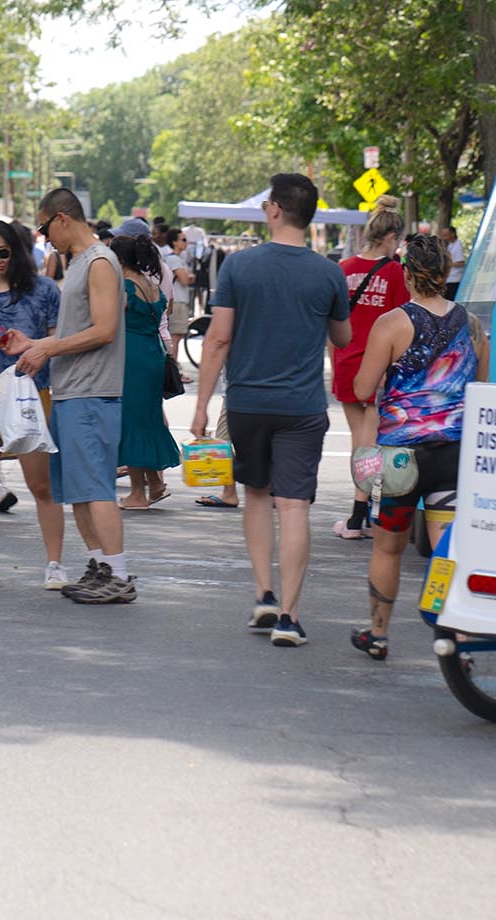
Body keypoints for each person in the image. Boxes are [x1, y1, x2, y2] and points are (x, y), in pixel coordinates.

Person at [189, 173, 352, 647]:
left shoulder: (240, 268)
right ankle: (289, 615)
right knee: (294, 506)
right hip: (302, 405)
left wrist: (201, 406)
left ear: (276, 209)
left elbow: (217, 339)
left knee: (256, 494)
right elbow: (341, 338)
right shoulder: (328, 273)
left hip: (248, 402)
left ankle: (262, 593)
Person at [347, 235, 487, 660]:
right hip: (452, 454)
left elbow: (363, 388)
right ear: (447, 274)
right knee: (446, 547)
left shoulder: (391, 323)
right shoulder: (474, 325)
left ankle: (378, 633)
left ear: (406, 274)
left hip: (400, 458)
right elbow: (481, 389)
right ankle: (455, 634)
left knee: (387, 546)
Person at [1, 188, 133, 604]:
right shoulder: (79, 263)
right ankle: (99, 565)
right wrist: (33, 344)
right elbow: (79, 329)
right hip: (72, 391)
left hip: (92, 392)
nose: (43, 237)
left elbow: (105, 329)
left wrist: (47, 348)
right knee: (76, 490)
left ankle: (119, 573)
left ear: (61, 218)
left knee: (95, 489)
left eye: (43, 227)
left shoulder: (98, 262)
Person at [0, 218, 65, 590]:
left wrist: (35, 349)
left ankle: (54, 563)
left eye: (2, 252)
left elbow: (60, 342)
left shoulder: (44, 290)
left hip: (31, 393)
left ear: (16, 251)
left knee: (41, 485)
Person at [330, 196, 410, 540]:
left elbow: (333, 321)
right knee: (369, 440)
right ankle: (359, 512)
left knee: (358, 438)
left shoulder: (343, 268)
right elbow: (402, 322)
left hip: (346, 360)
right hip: (379, 366)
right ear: (392, 237)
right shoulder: (395, 273)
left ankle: (359, 508)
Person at [113, 228, 181, 512]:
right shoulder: (152, 284)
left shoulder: (126, 287)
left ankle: (138, 493)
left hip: (132, 358)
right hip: (153, 354)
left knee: (133, 422)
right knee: (148, 419)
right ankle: (155, 483)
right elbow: (170, 309)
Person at [160, 228, 196, 363]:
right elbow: (185, 280)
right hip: (178, 301)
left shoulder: (175, 259)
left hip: (178, 300)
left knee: (176, 335)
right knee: (176, 336)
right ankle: (173, 367)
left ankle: (173, 366)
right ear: (174, 242)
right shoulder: (174, 260)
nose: (186, 242)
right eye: (183, 239)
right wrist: (190, 277)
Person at [441, 226, 465, 299]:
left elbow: (461, 263)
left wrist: (448, 263)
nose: (444, 237)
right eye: (443, 235)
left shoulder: (458, 246)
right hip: (449, 279)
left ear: (452, 234)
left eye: (446, 235)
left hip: (455, 279)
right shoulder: (450, 245)